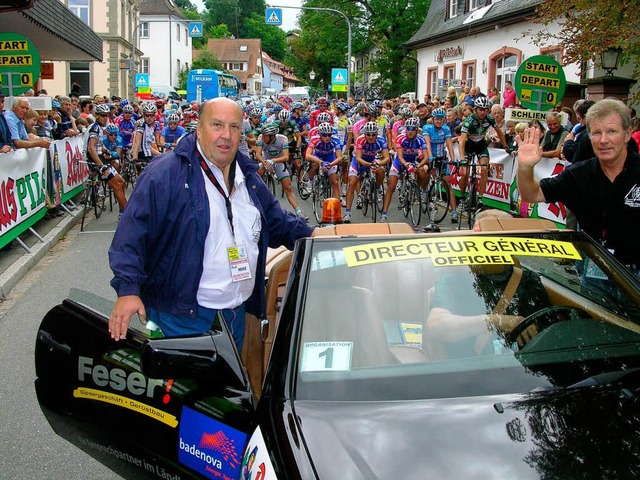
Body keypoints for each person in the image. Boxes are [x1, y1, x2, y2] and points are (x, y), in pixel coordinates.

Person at [108, 98, 313, 350]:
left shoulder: (246, 175)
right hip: (182, 317)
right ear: (199, 129)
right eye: (217, 125)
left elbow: (277, 222)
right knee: (188, 388)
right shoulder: (165, 174)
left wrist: (318, 235)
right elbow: (130, 237)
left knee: (227, 387)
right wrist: (128, 290)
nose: (226, 135)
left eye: (234, 127)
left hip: (234, 314)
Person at [517, 98, 640, 270]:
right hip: (595, 272)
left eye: (612, 131)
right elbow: (531, 194)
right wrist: (524, 168)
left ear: (627, 134)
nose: (603, 140)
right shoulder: (579, 174)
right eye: (596, 133)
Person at [425, 209, 551, 358]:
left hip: (521, 366)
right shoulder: (455, 279)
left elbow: (548, 329)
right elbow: (436, 326)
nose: (491, 246)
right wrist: (496, 321)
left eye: (498, 240)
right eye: (482, 239)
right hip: (470, 367)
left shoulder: (528, 280)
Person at [458, 97, 508, 211]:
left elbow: (499, 132)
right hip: (469, 145)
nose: (483, 112)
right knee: (465, 173)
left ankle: (480, 197)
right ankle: (461, 198)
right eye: (481, 109)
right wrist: (462, 159)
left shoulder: (490, 119)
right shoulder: (469, 120)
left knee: (485, 169)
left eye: (485, 110)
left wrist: (505, 146)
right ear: (475, 109)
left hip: (481, 145)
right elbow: (461, 141)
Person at [86, 104, 128, 216]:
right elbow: (91, 148)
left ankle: (122, 211)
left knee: (122, 182)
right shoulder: (94, 128)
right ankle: (127, 214)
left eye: (107, 115)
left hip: (101, 158)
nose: (105, 118)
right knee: (117, 185)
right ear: (97, 116)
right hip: (96, 161)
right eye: (103, 115)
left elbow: (99, 146)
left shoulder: (100, 127)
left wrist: (107, 151)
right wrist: (101, 166)